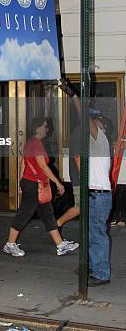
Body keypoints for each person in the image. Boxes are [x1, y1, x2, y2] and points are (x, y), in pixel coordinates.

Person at [58, 78, 112, 286]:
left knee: (97, 233)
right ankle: (94, 266)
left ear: (101, 127)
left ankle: (101, 273)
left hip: (98, 196)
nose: (92, 122)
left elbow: (84, 116)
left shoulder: (100, 138)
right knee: (91, 232)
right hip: (95, 194)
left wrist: (74, 96)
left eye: (96, 121)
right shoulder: (95, 144)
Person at [3, 116, 79, 257]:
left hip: (32, 183)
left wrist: (21, 183)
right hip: (34, 185)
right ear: (38, 128)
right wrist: (57, 182)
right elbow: (43, 166)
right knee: (25, 213)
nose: (47, 129)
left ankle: (60, 245)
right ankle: (10, 244)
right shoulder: (36, 144)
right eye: (45, 126)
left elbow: (24, 164)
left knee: (47, 214)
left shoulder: (30, 143)